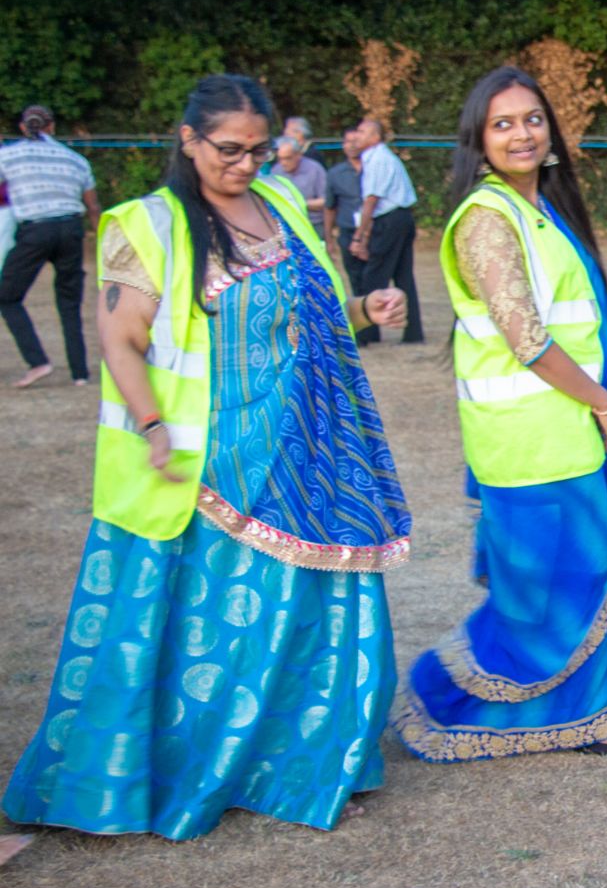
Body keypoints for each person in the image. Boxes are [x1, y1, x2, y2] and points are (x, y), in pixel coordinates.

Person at [2, 74, 412, 839]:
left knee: (306, 614)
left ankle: (298, 761)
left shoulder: (283, 204)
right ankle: (202, 765)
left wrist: (365, 308)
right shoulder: (146, 224)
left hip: (307, 447)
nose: (247, 163)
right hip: (213, 461)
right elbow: (120, 339)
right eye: (229, 149)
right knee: (219, 627)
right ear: (187, 138)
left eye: (261, 149)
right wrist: (152, 423)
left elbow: (312, 312)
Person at [393, 66, 607, 761]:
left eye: (532, 118)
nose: (522, 132)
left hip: (563, 429)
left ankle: (593, 714)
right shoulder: (487, 219)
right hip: (528, 437)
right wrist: (601, 400)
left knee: (583, 574)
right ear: (478, 139)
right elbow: (527, 339)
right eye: (503, 122)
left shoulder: (542, 209)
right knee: (544, 594)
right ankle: (440, 693)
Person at [0, 104, 100, 387]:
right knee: (69, 303)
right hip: (71, 230)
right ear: (52, 127)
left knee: (7, 297)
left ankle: (38, 362)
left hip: (35, 230)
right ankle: (79, 373)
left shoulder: (8, 155)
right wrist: (102, 239)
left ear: (22, 127)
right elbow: (92, 206)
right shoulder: (75, 159)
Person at [348, 117, 424, 344]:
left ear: (375, 137)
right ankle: (413, 334)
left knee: (373, 274)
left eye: (362, 132)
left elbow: (372, 199)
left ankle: (366, 334)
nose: (356, 136)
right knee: (403, 275)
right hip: (401, 218)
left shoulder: (378, 159)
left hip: (390, 220)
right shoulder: (378, 157)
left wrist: (360, 235)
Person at [324, 123, 369, 309]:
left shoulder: (374, 168)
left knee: (372, 276)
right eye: (347, 141)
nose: (351, 145)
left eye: (355, 141)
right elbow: (330, 207)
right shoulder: (335, 174)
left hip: (373, 230)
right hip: (347, 231)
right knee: (354, 276)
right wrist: (328, 237)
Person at [264, 134, 327, 213]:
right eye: (280, 159)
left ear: (298, 155)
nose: (283, 163)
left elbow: (326, 201)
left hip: (313, 221)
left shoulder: (315, 169)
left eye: (288, 158)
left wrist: (297, 203)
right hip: (285, 220)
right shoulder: (275, 171)